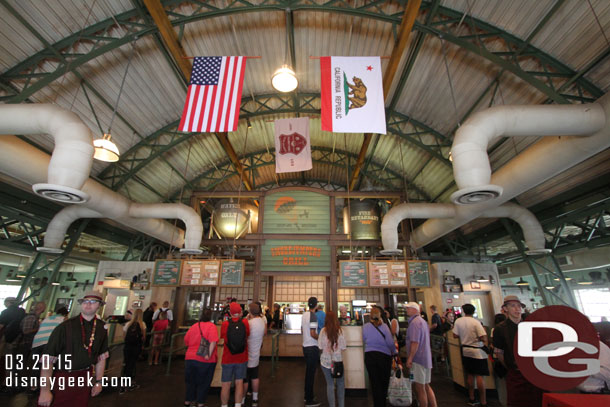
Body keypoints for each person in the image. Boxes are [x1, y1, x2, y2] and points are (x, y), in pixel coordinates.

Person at [38, 291, 109, 407]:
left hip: (85, 376)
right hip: (64, 377)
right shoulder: (65, 327)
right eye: (85, 301)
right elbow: (48, 360)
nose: (88, 304)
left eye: (93, 302)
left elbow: (101, 357)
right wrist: (45, 390)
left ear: (99, 305)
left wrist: (99, 381)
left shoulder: (101, 328)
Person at [493, 295, 544, 407]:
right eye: (513, 306)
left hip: (534, 373)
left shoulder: (530, 326)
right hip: (515, 374)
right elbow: (499, 353)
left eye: (519, 306)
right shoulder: (500, 329)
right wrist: (510, 367)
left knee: (537, 402)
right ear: (505, 309)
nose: (517, 309)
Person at [452, 304, 489, 406]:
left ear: (463, 311)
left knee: (470, 374)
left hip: (465, 350)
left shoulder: (458, 321)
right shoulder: (476, 322)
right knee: (480, 376)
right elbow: (483, 338)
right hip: (477, 351)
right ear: (473, 311)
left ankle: (471, 398)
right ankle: (483, 401)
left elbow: (455, 335)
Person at [362, 306, 397, 407]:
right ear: (380, 315)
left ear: (370, 316)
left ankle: (377, 404)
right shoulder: (385, 327)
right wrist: (394, 352)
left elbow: (364, 339)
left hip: (370, 356)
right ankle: (382, 403)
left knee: (374, 382)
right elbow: (390, 343)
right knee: (384, 381)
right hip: (384, 357)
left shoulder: (365, 327)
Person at [183, 308, 218, 407]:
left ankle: (188, 401)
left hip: (190, 358)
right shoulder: (212, 327)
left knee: (190, 381)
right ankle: (200, 403)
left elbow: (186, 340)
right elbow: (213, 341)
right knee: (204, 382)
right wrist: (209, 355)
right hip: (205, 360)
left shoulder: (194, 326)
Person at [405, 302, 437, 407]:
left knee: (420, 388)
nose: (407, 310)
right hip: (426, 358)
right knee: (426, 386)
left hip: (418, 359)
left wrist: (410, 358)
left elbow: (415, 342)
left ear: (415, 310)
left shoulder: (414, 323)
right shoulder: (423, 321)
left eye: (408, 308)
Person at [220, 302, 250, 407]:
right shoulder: (245, 323)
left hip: (227, 358)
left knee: (226, 384)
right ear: (240, 312)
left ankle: (224, 405)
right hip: (242, 358)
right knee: (239, 382)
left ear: (230, 313)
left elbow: (223, 337)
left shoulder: (225, 324)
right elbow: (247, 334)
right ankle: (238, 404)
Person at [318, 311, 346, 407]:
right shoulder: (340, 331)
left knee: (330, 385)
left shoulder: (322, 331)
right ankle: (341, 405)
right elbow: (343, 347)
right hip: (338, 362)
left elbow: (320, 347)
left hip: (325, 362)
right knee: (340, 384)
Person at [243, 302, 266, 407]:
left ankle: (242, 398)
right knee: (255, 376)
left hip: (246, 354)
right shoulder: (262, 322)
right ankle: (255, 398)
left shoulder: (249, 323)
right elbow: (265, 332)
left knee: (245, 378)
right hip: (256, 354)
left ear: (250, 311)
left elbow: (244, 337)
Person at [120, 309, 146, 393]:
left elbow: (123, 336)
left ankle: (123, 383)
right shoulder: (142, 325)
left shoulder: (128, 324)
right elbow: (144, 337)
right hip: (136, 347)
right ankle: (129, 383)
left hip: (127, 347)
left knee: (126, 364)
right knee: (132, 364)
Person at [302, 297, 321, 407]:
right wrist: (321, 338)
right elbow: (313, 333)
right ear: (316, 305)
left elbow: (302, 330)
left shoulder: (304, 315)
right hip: (312, 347)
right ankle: (309, 400)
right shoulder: (313, 316)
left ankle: (307, 395)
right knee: (311, 374)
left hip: (305, 346)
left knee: (308, 373)